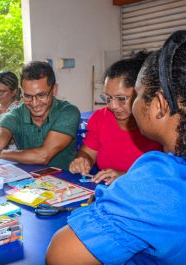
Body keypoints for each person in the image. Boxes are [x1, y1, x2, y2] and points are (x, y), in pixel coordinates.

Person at [46, 30, 186, 264]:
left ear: (160, 104)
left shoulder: (159, 180)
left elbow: (60, 256)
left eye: (137, 95)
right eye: (108, 98)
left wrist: (104, 205)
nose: (117, 106)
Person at [0, 61, 80, 197]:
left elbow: (43, 156)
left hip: (66, 187)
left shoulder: (68, 112)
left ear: (54, 90)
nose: (34, 103)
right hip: (27, 186)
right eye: (28, 96)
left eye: (41, 95)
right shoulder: (15, 114)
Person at [69, 52, 162, 185]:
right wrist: (83, 160)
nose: (113, 106)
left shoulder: (157, 123)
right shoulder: (101, 118)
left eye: (121, 99)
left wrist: (126, 177)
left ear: (141, 93)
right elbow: (87, 152)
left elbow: (170, 174)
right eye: (107, 98)